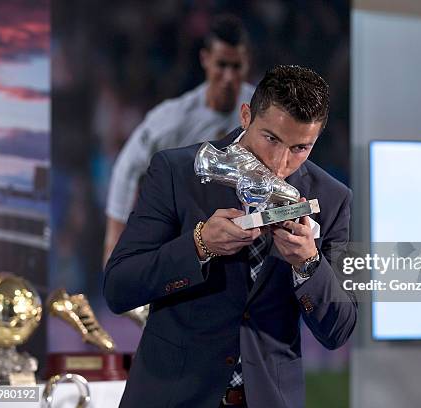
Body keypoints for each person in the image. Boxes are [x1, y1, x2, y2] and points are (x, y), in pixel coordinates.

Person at [104, 65, 357, 408]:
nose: (280, 162)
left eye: (300, 148)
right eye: (271, 138)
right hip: (172, 397)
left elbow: (340, 330)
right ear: (245, 115)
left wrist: (308, 264)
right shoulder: (177, 171)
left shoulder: (332, 199)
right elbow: (119, 287)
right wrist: (199, 245)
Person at [103, 14, 254, 265]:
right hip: (187, 237)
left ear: (246, 63)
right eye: (221, 65)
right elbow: (126, 168)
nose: (228, 77)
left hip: (246, 235)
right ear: (205, 59)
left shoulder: (262, 112)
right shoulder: (173, 119)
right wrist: (113, 243)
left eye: (236, 66)